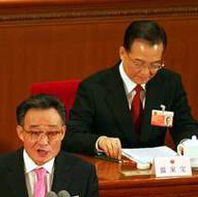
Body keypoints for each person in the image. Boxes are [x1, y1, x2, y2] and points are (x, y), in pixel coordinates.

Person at [63, 20, 198, 159]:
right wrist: (99, 141)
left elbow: (185, 124)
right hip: (111, 169)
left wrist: (187, 144)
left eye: (155, 65)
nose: (146, 72)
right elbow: (72, 135)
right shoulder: (94, 87)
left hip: (154, 171)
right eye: (138, 63)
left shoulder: (169, 83)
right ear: (122, 53)